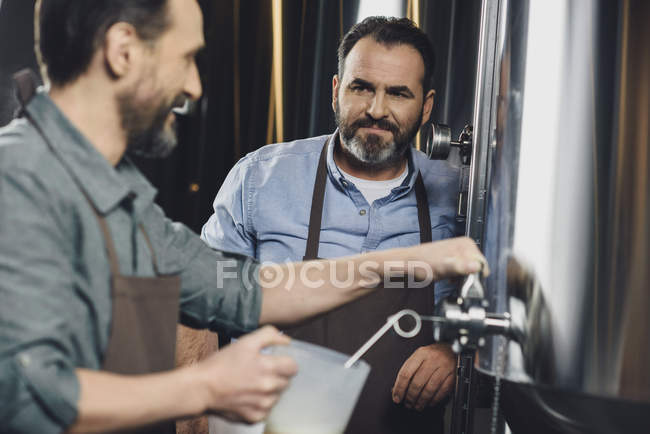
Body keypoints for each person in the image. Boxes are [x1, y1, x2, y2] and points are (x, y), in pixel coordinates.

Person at [0, 2, 487, 433]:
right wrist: (201, 390)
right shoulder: (17, 179)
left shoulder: (119, 196)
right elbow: (26, 393)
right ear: (123, 49)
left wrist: (401, 262)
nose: (193, 85)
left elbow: (237, 288)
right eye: (186, 57)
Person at [202, 16, 463, 434]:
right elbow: (196, 311)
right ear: (335, 90)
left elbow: (499, 324)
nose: (377, 110)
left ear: (426, 106)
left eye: (398, 94)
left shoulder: (457, 197)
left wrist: (456, 354)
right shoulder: (260, 180)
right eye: (362, 88)